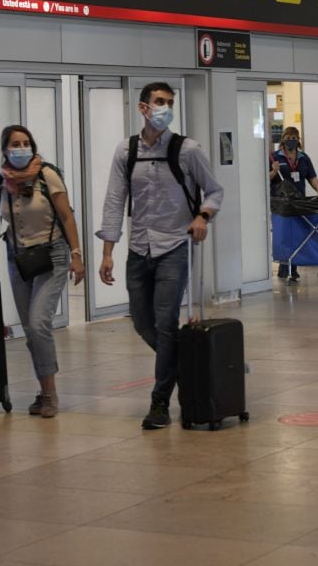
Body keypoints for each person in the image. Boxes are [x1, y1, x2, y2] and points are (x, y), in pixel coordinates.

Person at [97, 82, 224, 430]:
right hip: (139, 248)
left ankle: (160, 402)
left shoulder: (188, 150)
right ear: (143, 107)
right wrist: (108, 252)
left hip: (174, 247)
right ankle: (188, 366)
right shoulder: (127, 151)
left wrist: (203, 216)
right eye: (158, 102)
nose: (164, 108)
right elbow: (114, 201)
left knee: (166, 324)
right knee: (142, 322)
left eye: (169, 103)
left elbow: (214, 190)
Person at [0, 125, 85, 419]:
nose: (22, 148)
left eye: (26, 143)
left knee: (39, 324)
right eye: (16, 143)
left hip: (53, 255)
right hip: (19, 259)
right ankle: (44, 390)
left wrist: (77, 254)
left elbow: (66, 216)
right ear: (5, 150)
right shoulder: (0, 183)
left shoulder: (47, 176)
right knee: (30, 331)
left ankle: (50, 395)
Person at [268, 126, 318, 280]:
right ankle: (284, 267)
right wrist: (273, 171)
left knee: (298, 235)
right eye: (288, 137)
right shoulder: (274, 157)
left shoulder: (304, 158)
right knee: (284, 235)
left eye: (294, 138)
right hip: (281, 204)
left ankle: (293, 267)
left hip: (298, 202)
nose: (290, 141)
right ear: (283, 140)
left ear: (298, 140)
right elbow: (265, 179)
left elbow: (312, 177)